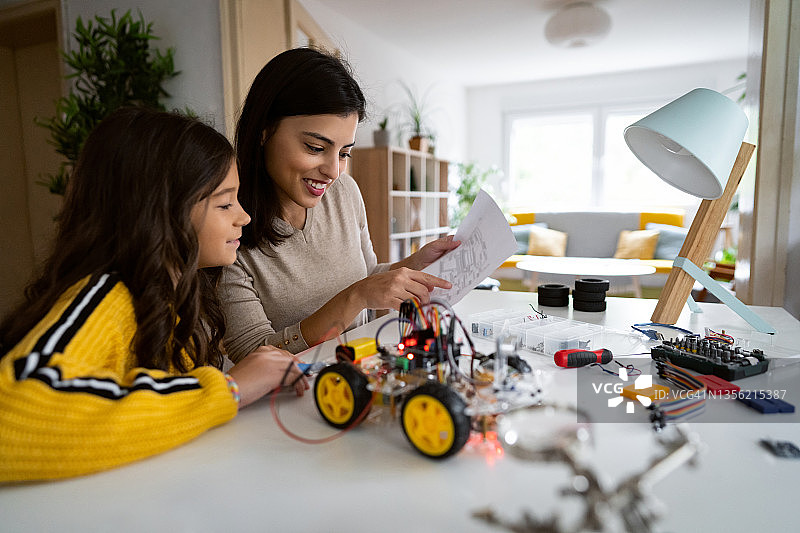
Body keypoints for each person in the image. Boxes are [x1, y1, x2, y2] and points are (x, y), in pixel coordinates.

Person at [0, 107, 307, 482]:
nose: (243, 216)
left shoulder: (179, 294)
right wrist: (228, 387)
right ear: (163, 213)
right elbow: (14, 406)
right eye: (225, 203)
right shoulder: (106, 295)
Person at [220, 47, 460, 360]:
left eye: (344, 153)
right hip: (289, 400)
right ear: (265, 131)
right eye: (315, 147)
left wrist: (411, 266)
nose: (333, 171)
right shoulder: (226, 227)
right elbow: (253, 354)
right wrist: (354, 298)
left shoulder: (345, 191)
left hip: (360, 374)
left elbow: (365, 274)